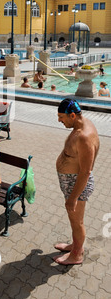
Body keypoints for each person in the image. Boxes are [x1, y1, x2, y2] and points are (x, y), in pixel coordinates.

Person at [55, 99, 99, 265]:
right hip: (72, 182)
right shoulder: (82, 124)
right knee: (74, 220)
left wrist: (73, 198)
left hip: (77, 185)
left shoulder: (84, 137)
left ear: (72, 115)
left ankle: (77, 255)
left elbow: (85, 172)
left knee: (77, 221)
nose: (59, 120)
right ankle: (75, 245)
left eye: (61, 117)